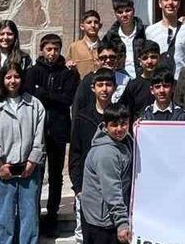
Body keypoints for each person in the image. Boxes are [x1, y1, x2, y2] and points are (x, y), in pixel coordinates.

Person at [0, 61, 46, 244]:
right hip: (4, 170)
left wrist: (32, 162)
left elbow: (39, 136)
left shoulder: (34, 104)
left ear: (22, 79)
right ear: (2, 80)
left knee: (29, 215)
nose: (12, 81)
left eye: (16, 76)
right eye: (8, 77)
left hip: (28, 170)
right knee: (4, 215)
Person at [22, 33, 79, 236]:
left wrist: (44, 93)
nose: (52, 53)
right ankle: (34, 216)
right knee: (35, 173)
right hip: (36, 131)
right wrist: (51, 96)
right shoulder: (33, 72)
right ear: (42, 50)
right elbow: (30, 96)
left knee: (56, 175)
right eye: (49, 49)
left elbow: (67, 99)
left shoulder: (68, 73)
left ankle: (52, 215)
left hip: (58, 129)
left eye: (56, 49)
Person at [70, 68, 117, 242]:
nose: (104, 89)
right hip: (88, 188)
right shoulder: (83, 117)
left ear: (114, 87)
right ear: (93, 88)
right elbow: (75, 153)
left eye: (108, 85)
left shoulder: (120, 117)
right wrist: (78, 187)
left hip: (113, 186)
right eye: (100, 85)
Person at [79, 102, 134, 244]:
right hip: (102, 222)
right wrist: (122, 223)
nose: (119, 129)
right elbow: (112, 191)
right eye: (114, 125)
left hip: (107, 217)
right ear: (105, 126)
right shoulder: (106, 153)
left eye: (123, 124)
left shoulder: (125, 141)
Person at [145, 0, 185, 78]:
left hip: (181, 81)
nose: (170, 3)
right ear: (160, 3)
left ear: (179, 4)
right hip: (158, 82)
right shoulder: (150, 31)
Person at [73, 40, 131, 113]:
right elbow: (78, 106)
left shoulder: (125, 80)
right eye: (103, 58)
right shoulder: (88, 80)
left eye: (112, 57)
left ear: (117, 59)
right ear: (97, 60)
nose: (108, 60)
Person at [101, 0, 147, 79]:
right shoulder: (110, 36)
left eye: (128, 10)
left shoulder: (145, 32)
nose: (124, 15)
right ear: (115, 13)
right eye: (120, 12)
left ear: (133, 10)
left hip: (143, 79)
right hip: (119, 81)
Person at [119, 41, 164, 117]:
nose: (149, 61)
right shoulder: (133, 85)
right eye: (145, 58)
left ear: (159, 58)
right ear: (140, 61)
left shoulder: (166, 83)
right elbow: (126, 111)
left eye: (153, 57)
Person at [69, 10, 103, 78]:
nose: (93, 25)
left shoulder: (106, 46)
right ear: (82, 26)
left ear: (100, 26)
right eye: (89, 22)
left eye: (96, 22)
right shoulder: (74, 47)